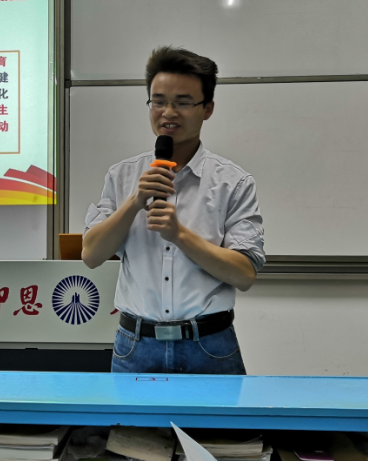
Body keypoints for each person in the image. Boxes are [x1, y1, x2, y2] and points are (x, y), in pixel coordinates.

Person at [82, 46, 265, 375]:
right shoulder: (122, 176)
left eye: (183, 102)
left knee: (217, 416)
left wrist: (179, 235)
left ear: (207, 108)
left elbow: (244, 274)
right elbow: (91, 255)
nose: (168, 112)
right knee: (129, 417)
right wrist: (134, 202)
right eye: (158, 101)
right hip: (136, 346)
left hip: (209, 346)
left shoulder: (233, 182)